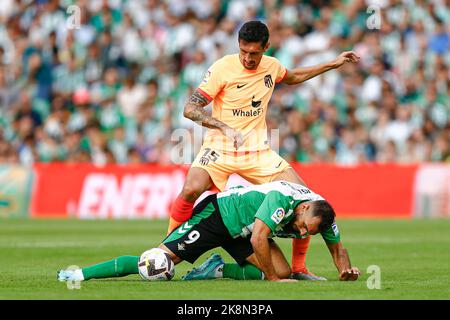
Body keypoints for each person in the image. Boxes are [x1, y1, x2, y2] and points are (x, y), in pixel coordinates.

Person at [167, 20, 360, 280]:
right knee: (191, 188)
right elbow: (189, 108)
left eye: (254, 53)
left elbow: (293, 77)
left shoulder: (272, 66)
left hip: (257, 150)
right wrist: (224, 128)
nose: (247, 58)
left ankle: (299, 268)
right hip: (220, 146)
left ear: (266, 47)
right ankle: (166, 251)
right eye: (243, 51)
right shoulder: (222, 68)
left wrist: (332, 63)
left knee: (306, 196)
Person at [57, 181, 360, 283]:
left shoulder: (322, 215)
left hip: (246, 229)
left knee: (283, 272)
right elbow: (258, 237)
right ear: (305, 208)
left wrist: (345, 270)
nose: (301, 232)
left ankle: (215, 270)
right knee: (156, 264)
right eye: (303, 226)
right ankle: (81, 275)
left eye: (309, 233)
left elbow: (337, 247)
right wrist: (271, 281)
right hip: (218, 216)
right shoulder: (284, 200)